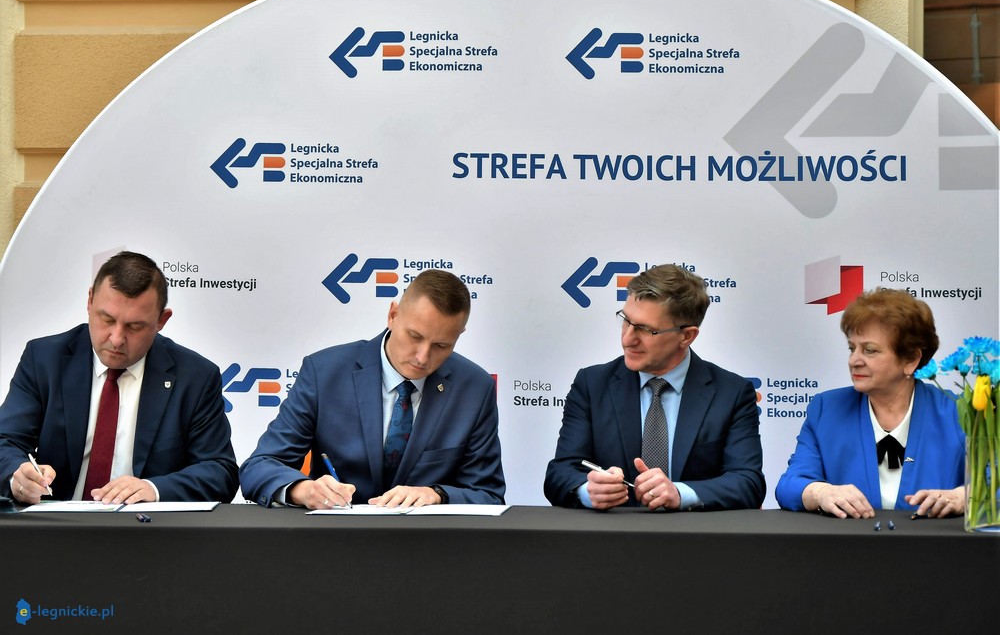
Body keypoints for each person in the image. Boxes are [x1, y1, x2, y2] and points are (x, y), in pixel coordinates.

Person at [240, 269, 504, 509]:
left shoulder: (475, 389)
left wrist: (437, 495)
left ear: (459, 335)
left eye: (441, 346)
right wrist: (303, 490)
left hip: (429, 541)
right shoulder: (324, 373)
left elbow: (488, 495)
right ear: (393, 315)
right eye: (415, 336)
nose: (422, 357)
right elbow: (259, 467)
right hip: (333, 538)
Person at [0, 251, 239, 505]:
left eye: (134, 326)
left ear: (161, 320)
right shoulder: (44, 360)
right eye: (107, 319)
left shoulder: (195, 377)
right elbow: (6, 441)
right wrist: (18, 476)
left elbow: (220, 471)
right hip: (56, 522)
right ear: (90, 301)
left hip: (148, 526)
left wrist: (154, 489)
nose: (116, 339)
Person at [544, 264, 765, 511]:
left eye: (645, 329)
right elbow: (560, 473)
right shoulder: (592, 384)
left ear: (687, 336)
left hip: (695, 533)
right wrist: (588, 491)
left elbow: (748, 483)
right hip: (610, 533)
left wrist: (680, 493)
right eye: (626, 321)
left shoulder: (731, 393)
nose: (628, 339)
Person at [775, 288, 964, 519]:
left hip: (937, 542)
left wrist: (964, 497)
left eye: (870, 350)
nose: (854, 360)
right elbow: (790, 485)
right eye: (852, 348)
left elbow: (994, 484)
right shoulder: (827, 409)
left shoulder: (958, 413)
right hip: (851, 541)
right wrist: (821, 492)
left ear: (911, 359)